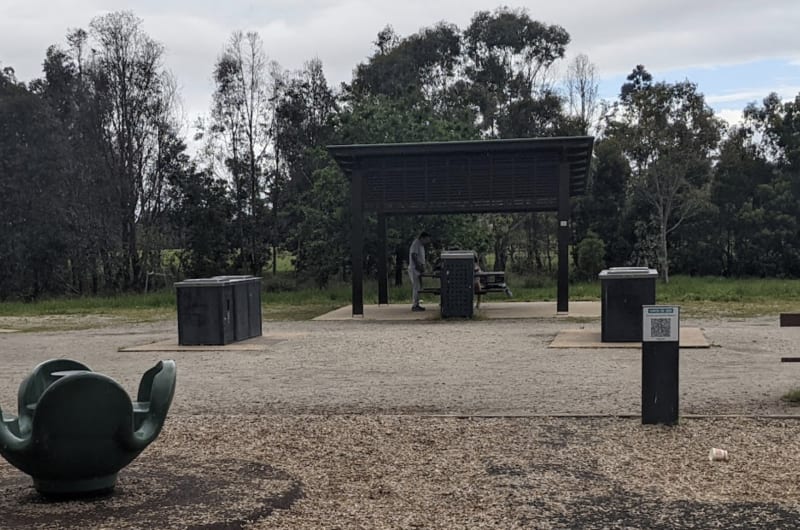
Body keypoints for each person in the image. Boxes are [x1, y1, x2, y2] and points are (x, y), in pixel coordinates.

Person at [408, 231, 431, 311]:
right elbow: (414, 255)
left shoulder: (421, 245)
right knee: (416, 287)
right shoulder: (416, 244)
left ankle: (417, 303)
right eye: (427, 239)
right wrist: (418, 266)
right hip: (415, 269)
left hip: (418, 269)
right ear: (422, 238)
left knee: (419, 287)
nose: (427, 241)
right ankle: (415, 305)